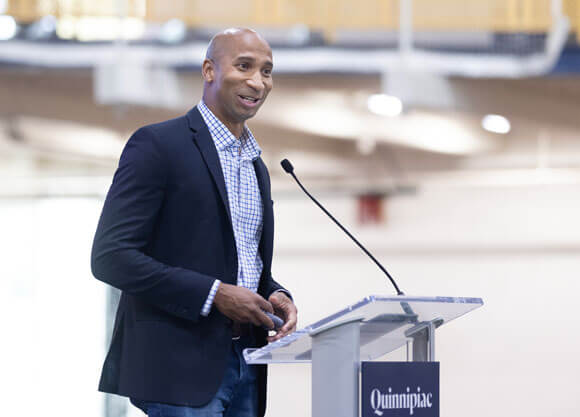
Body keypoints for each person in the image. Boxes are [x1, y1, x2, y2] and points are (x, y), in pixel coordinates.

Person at [91, 28, 298, 417]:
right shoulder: (158, 145)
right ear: (209, 70)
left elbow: (238, 260)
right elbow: (110, 257)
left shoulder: (257, 166)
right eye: (244, 66)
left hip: (246, 361)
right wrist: (215, 294)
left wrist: (275, 292)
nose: (258, 81)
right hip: (178, 368)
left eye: (267, 71)